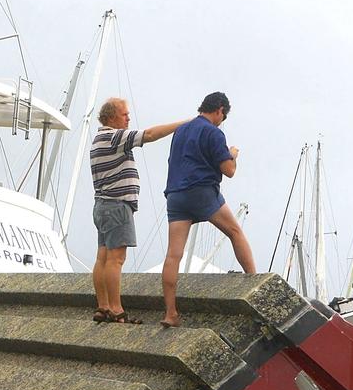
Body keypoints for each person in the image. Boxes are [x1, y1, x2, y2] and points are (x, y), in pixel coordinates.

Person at [161, 92, 256, 328]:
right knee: (235, 232)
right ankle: (255, 282)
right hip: (201, 191)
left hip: (175, 194)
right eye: (223, 116)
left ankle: (170, 314)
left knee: (173, 254)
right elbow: (229, 171)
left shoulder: (181, 130)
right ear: (220, 110)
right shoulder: (214, 132)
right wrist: (232, 155)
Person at [90, 97, 186, 324]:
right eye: (125, 115)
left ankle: (102, 306)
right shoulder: (114, 137)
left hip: (102, 206)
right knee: (116, 259)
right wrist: (182, 124)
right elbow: (150, 135)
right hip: (117, 205)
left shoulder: (98, 139)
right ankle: (116, 308)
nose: (128, 119)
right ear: (112, 117)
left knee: (102, 257)